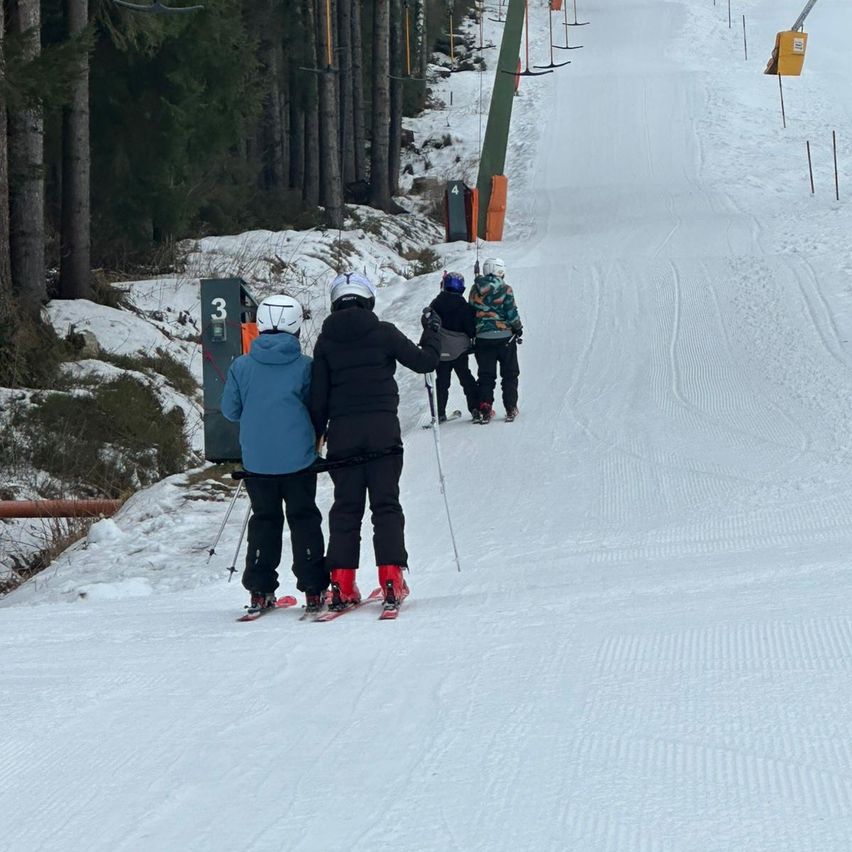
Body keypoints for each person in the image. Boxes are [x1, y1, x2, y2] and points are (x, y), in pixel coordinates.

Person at [309, 271, 441, 610]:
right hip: (382, 430)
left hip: (343, 434)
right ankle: (391, 579)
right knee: (386, 505)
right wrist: (432, 331)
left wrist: (315, 439)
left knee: (346, 508)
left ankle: (341, 583)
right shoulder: (384, 333)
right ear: (368, 300)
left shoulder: (325, 342)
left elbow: (318, 398)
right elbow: (425, 362)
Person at [221, 294, 329, 614]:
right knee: (303, 517)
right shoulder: (305, 366)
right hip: (299, 459)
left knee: (265, 520)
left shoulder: (241, 366)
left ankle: (260, 588)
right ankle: (313, 588)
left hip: (257, 461)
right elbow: (316, 408)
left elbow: (230, 410)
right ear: (296, 326)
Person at [469, 257, 523, 423]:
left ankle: (485, 407)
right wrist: (518, 327)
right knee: (509, 373)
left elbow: (470, 311)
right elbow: (511, 312)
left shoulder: (475, 289)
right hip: (504, 336)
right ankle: (510, 407)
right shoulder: (506, 289)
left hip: (482, 338)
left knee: (486, 375)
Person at [429, 271, 480, 422]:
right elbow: (471, 330)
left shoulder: (435, 304)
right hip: (459, 350)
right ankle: (475, 408)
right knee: (466, 378)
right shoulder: (464, 307)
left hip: (441, 349)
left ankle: (439, 413)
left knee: (442, 382)